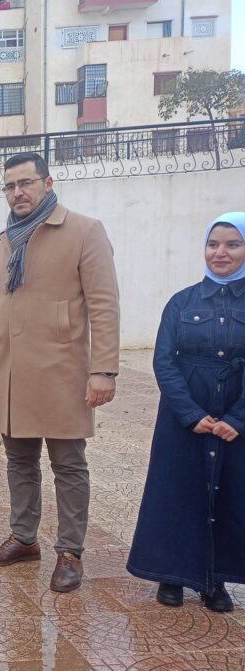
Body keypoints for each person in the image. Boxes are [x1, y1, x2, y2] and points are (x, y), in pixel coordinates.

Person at [0, 152, 120, 593]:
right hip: (11, 371)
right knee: (19, 460)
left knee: (68, 463)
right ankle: (23, 538)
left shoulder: (83, 231)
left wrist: (103, 369)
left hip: (62, 370)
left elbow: (104, 303)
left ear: (47, 183)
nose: (18, 192)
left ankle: (70, 551)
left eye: (26, 183)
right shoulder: (0, 243)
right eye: (10, 186)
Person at [127, 212, 245, 612]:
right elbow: (164, 361)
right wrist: (190, 413)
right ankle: (171, 575)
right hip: (184, 417)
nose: (220, 252)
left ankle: (214, 579)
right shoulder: (182, 302)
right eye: (213, 244)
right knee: (177, 491)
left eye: (232, 244)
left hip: (234, 415)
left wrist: (237, 419)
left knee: (228, 494)